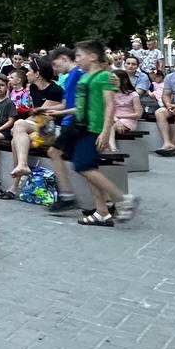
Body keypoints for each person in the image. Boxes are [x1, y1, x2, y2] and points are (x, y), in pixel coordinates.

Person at [57, 41, 137, 226]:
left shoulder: (104, 77)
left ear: (92, 57)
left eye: (79, 56)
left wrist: (106, 131)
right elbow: (81, 106)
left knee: (83, 166)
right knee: (88, 168)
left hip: (93, 129)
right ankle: (102, 212)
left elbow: (110, 105)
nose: (76, 59)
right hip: (81, 127)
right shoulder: (84, 77)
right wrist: (58, 113)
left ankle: (123, 199)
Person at [7, 56, 64, 183]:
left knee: (18, 126)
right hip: (40, 127)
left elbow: (42, 116)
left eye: (29, 71)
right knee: (16, 140)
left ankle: (21, 173)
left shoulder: (55, 90)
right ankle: (19, 176)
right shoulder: (33, 88)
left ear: (37, 74)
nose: (26, 73)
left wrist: (18, 126)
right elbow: (35, 114)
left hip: (53, 129)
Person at [109, 68, 142, 151]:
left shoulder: (133, 94)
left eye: (115, 79)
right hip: (113, 118)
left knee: (111, 126)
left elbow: (138, 114)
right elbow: (109, 110)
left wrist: (120, 117)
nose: (112, 82)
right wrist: (117, 120)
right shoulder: (111, 93)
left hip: (129, 119)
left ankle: (112, 148)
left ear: (124, 80)